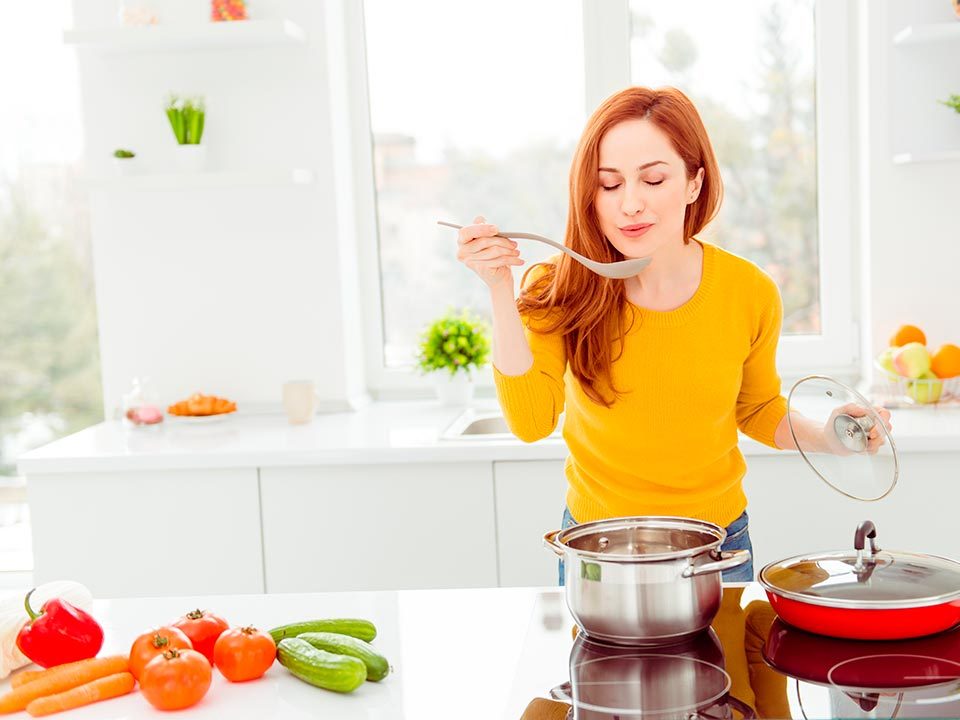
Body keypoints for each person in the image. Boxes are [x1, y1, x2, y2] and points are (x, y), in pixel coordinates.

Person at [455, 86, 891, 583]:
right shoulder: (561, 286)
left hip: (717, 548)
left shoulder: (749, 291)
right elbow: (531, 422)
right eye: (609, 184)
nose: (630, 204)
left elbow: (755, 408)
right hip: (599, 549)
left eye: (654, 179)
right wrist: (498, 290)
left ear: (693, 182)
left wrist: (831, 437)